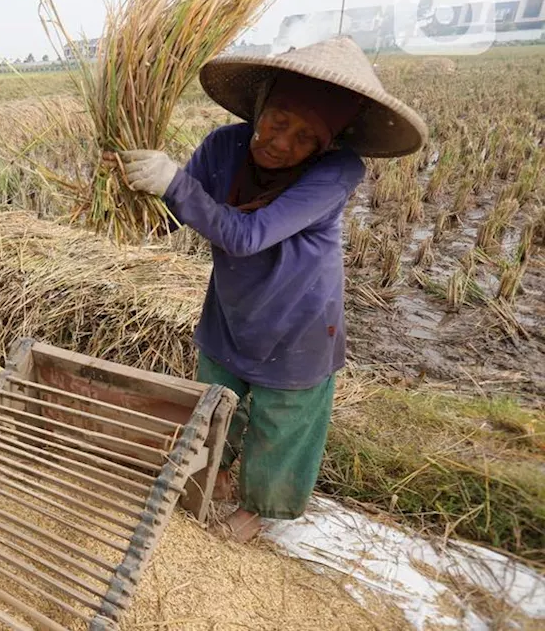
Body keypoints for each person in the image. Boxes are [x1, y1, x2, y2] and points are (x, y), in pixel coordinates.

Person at [118, 37, 427, 542]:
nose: (283, 142)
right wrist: (126, 192)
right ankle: (217, 469)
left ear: (328, 144)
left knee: (282, 423)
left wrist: (175, 182)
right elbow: (169, 218)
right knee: (218, 401)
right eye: (278, 121)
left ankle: (261, 507)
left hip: (299, 322)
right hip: (231, 309)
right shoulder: (225, 147)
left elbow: (248, 235)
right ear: (260, 105)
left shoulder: (336, 172)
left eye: (306, 136)